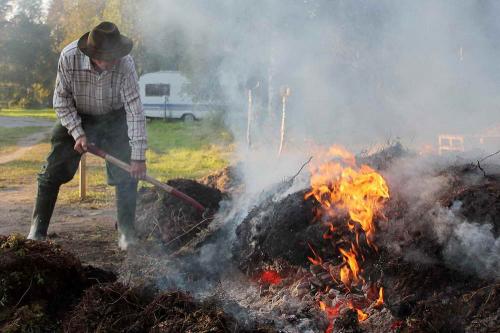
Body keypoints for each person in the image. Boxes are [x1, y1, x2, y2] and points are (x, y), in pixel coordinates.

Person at [27, 22, 147, 250]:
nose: (115, 61)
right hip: (77, 114)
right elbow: (61, 101)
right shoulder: (69, 57)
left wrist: (138, 157)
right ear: (93, 54)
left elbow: (134, 109)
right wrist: (77, 133)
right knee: (52, 172)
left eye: (117, 56)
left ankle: (126, 235)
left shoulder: (125, 63)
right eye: (109, 57)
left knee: (126, 176)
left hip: (114, 116)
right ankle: (37, 232)